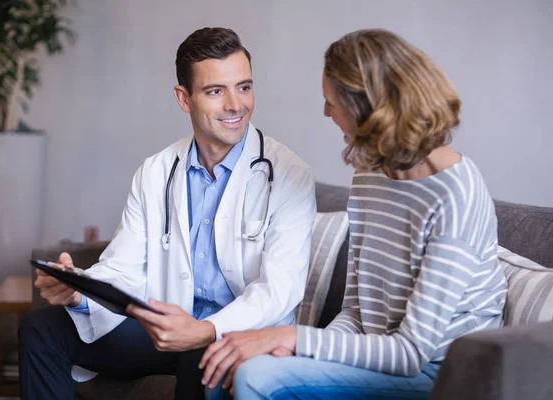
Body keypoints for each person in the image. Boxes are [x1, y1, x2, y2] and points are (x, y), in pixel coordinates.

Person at [200, 28, 508, 400]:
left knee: (255, 377)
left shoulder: (455, 195)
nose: (326, 111)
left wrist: (293, 338)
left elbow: (412, 352)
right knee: (224, 371)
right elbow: (358, 313)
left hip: (441, 373)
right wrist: (296, 351)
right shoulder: (369, 174)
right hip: (378, 356)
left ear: (369, 109)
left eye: (333, 101)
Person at [19, 27, 316, 400]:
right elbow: (123, 269)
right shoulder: (155, 171)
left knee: (203, 357)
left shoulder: (289, 174)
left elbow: (280, 290)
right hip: (161, 332)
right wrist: (78, 290)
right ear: (183, 97)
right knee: (41, 329)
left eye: (244, 87)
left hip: (233, 334)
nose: (235, 105)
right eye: (215, 91)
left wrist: (206, 329)